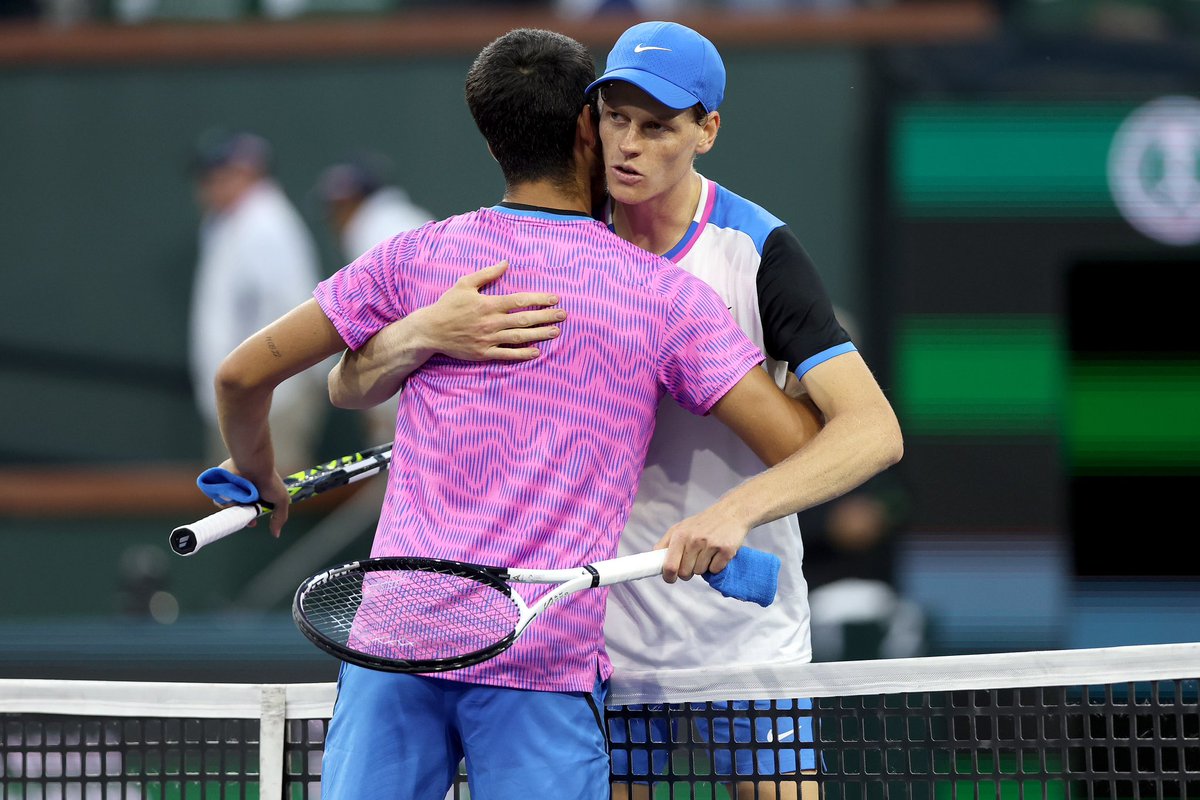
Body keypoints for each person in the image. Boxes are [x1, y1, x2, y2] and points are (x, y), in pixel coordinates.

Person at [211, 28, 827, 800]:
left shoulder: (418, 258)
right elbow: (799, 444)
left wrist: (261, 469)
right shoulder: (665, 298)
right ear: (586, 128)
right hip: (541, 664)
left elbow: (240, 378)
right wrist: (801, 368)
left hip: (397, 642)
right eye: (614, 119)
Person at [188, 129, 326, 474]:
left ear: (247, 172)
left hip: (270, 398)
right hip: (245, 396)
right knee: (236, 507)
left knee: (265, 506)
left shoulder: (266, 225)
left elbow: (296, 310)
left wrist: (264, 389)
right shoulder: (229, 223)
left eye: (219, 174)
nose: (208, 186)